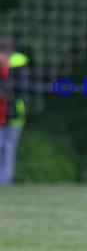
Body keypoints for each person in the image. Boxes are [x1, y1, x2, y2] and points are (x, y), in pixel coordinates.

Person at [0, 35, 29, 184]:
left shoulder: (19, 63)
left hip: (14, 113)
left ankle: (5, 180)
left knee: (8, 147)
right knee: (6, 148)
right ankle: (5, 180)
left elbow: (21, 88)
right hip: (10, 113)